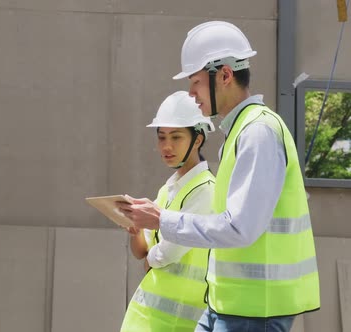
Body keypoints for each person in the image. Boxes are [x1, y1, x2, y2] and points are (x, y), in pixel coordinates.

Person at [118, 21, 320, 332]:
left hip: (256, 311)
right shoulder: (240, 131)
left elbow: (239, 228)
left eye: (196, 82)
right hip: (228, 305)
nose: (191, 94)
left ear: (224, 75)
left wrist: (162, 220)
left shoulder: (258, 131)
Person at [120, 91, 215, 332]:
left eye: (176, 137)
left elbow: (167, 253)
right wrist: (134, 231)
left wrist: (151, 258)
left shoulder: (206, 191)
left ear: (198, 140)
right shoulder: (168, 189)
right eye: (161, 137)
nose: (167, 146)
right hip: (146, 320)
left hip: (179, 323)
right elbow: (142, 253)